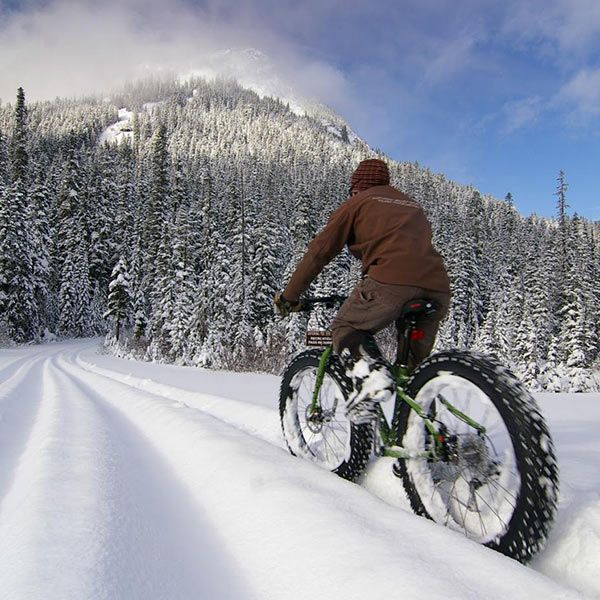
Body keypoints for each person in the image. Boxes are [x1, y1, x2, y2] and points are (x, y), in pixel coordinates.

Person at [274, 158, 451, 423]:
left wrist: (289, 297)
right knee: (416, 375)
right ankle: (424, 444)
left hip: (390, 283)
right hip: (438, 288)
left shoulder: (357, 202)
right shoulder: (412, 205)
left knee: (346, 328)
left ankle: (371, 377)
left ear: (356, 186)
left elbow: (319, 252)